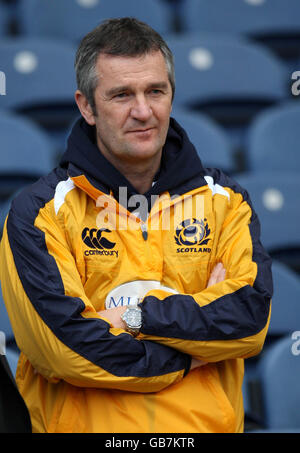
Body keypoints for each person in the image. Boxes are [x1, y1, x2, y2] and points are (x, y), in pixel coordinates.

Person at [0, 17, 272, 433]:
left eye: (155, 92)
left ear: (171, 97)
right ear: (86, 106)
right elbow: (64, 348)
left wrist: (132, 319)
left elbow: (248, 321)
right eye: (122, 95)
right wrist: (193, 353)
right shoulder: (39, 212)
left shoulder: (225, 201)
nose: (143, 111)